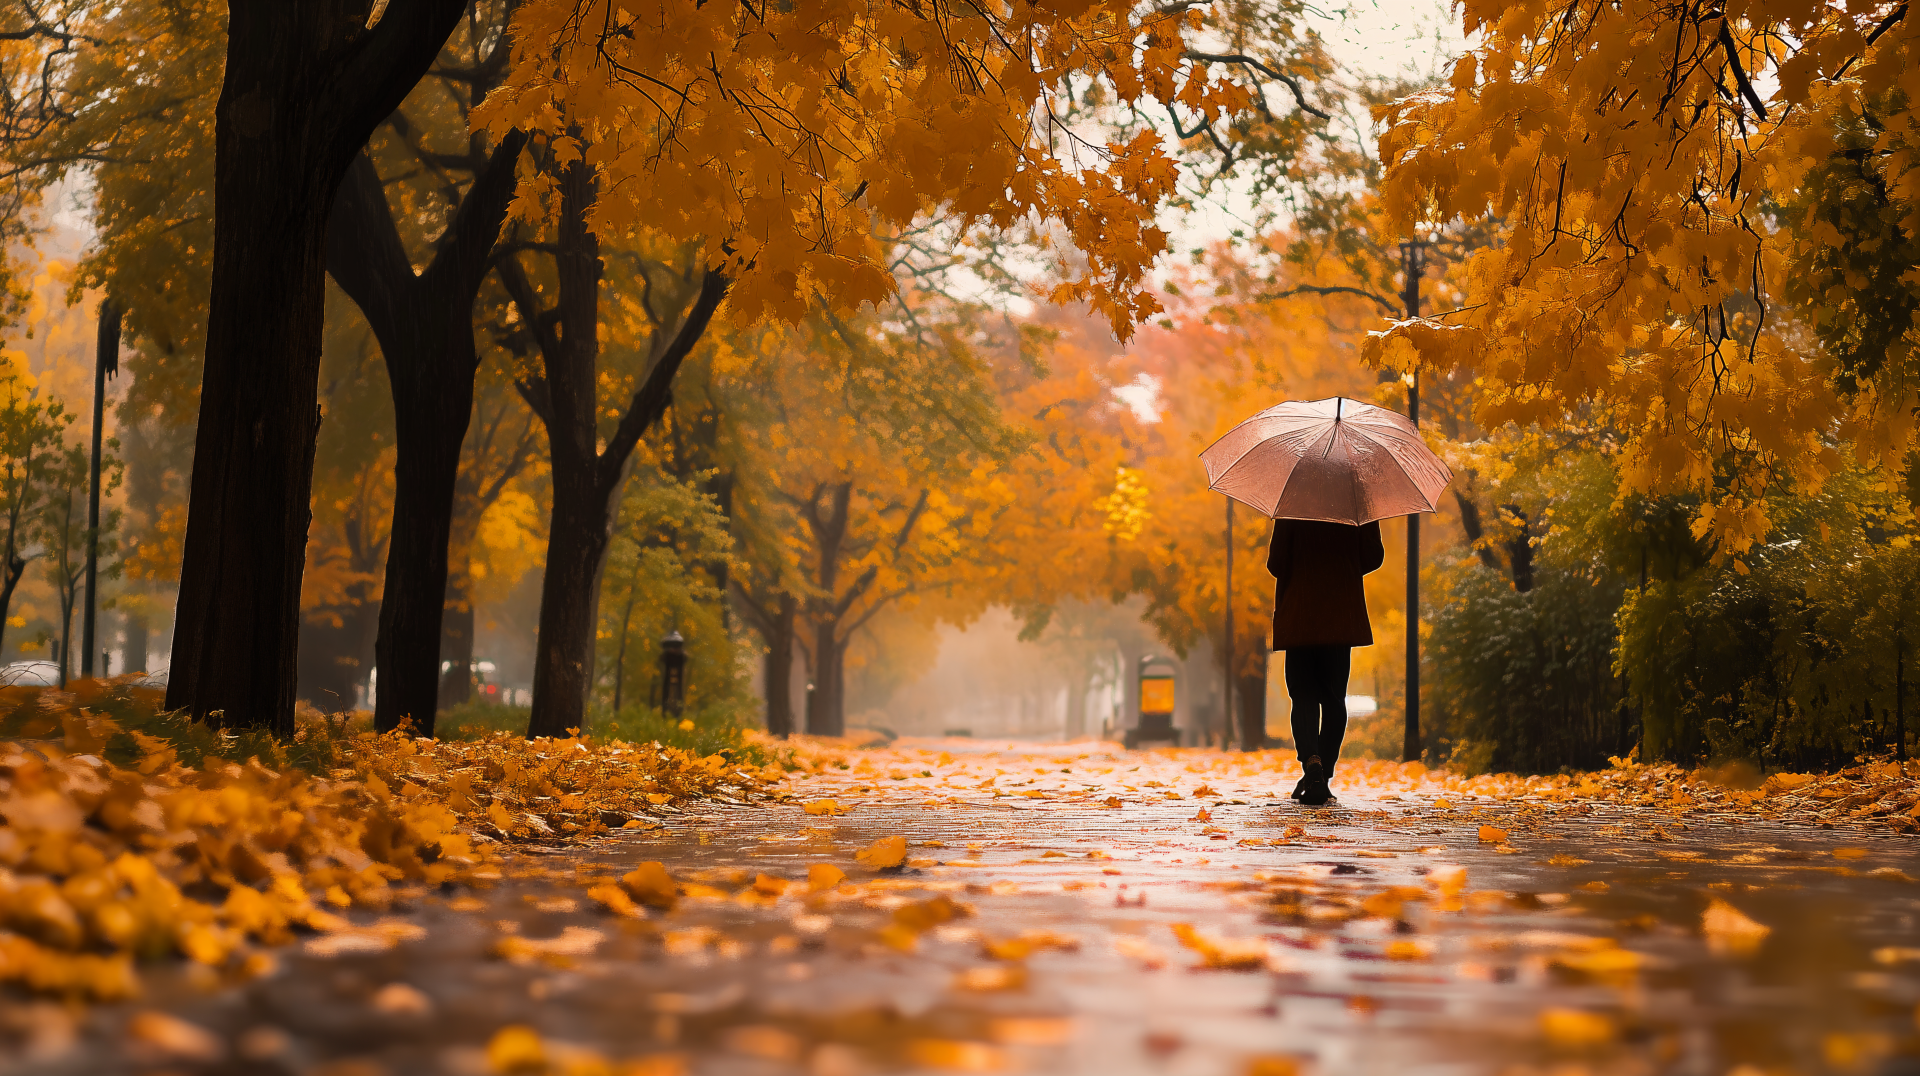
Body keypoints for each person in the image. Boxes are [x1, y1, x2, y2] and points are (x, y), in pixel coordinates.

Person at [1268, 516, 1385, 805]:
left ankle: (1312, 764)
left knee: (1303, 694)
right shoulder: (1355, 500)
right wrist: (1341, 562)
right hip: (1339, 611)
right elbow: (1373, 556)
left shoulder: (1293, 503)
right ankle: (1323, 771)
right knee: (1334, 698)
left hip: (1300, 611)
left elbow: (1277, 563)